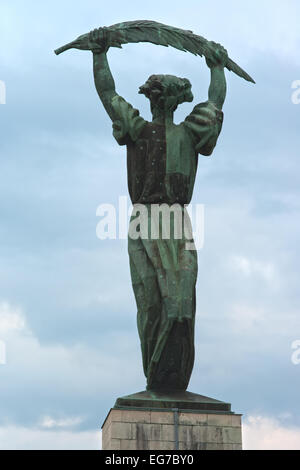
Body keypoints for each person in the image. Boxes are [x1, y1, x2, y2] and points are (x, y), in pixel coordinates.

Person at [88, 29, 227, 392]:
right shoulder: (137, 130)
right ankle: (156, 377)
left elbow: (215, 105)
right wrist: (99, 54)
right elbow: (108, 95)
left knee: (180, 305)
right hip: (144, 221)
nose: (160, 102)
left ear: (171, 101)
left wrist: (217, 67)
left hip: (176, 221)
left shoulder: (189, 133)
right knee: (150, 303)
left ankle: (174, 376)